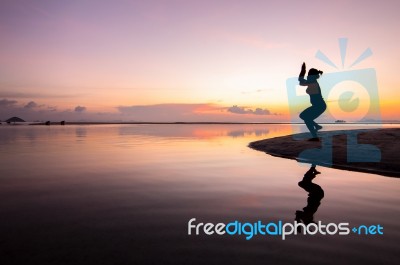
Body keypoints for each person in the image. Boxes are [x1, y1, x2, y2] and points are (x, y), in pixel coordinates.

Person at [298, 62, 326, 141]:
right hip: (318, 106)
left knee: (306, 118)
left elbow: (301, 81)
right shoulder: (312, 82)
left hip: (320, 106)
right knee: (303, 116)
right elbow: (301, 82)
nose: (307, 75)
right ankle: (317, 127)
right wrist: (303, 71)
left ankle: (315, 137)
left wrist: (303, 70)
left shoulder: (312, 82)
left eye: (308, 74)